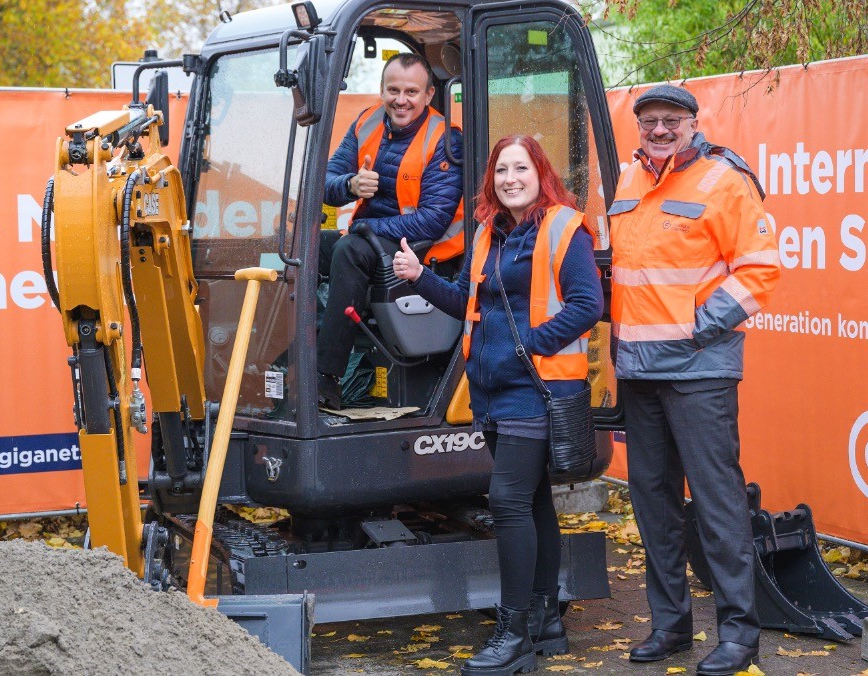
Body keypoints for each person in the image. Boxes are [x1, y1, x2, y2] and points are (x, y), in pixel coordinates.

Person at [393, 135, 602, 675]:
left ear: (540, 173)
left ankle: (513, 633)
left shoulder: (563, 227)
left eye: (521, 168)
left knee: (507, 501)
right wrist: (422, 278)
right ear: (492, 180)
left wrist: (530, 344)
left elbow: (588, 303)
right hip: (490, 391)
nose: (511, 178)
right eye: (502, 170)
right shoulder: (487, 232)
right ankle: (546, 619)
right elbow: (467, 300)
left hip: (536, 389)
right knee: (533, 504)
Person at [607, 84, 781, 676]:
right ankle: (671, 625)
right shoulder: (629, 181)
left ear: (691, 123)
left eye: (670, 120)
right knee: (653, 503)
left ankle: (738, 633)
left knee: (716, 503)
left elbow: (760, 269)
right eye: (649, 120)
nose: (659, 130)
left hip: (699, 372)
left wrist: (696, 329)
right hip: (638, 371)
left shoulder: (723, 180)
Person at [318, 52, 464, 409]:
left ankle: (325, 378)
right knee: (302, 248)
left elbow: (432, 219)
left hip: (423, 248)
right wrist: (351, 185)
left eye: (411, 92)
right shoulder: (366, 123)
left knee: (349, 251)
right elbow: (323, 182)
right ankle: (289, 363)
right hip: (373, 237)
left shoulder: (444, 139)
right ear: (382, 90)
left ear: (429, 95)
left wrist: (365, 227)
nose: (401, 100)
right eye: (393, 90)